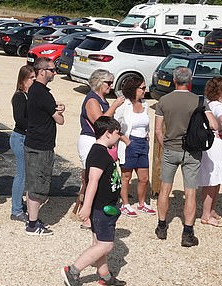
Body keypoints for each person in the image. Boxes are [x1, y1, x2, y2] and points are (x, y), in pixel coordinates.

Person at [61, 116, 126, 286]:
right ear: (107, 133)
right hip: (102, 208)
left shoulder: (102, 152)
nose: (119, 136)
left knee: (99, 243)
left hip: (106, 207)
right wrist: (86, 207)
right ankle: (73, 271)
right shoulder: (98, 154)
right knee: (106, 245)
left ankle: (105, 277)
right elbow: (93, 182)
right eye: (117, 133)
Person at [154, 66, 200, 247]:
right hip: (192, 150)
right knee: (190, 192)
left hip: (171, 148)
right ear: (189, 81)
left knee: (165, 189)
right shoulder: (197, 100)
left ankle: (162, 226)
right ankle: (187, 232)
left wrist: (166, 144)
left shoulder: (164, 101)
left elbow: (158, 130)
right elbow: (211, 123)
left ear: (174, 80)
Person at [24, 57, 65, 236]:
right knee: (38, 184)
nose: (54, 73)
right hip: (40, 146)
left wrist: (55, 109)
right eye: (52, 70)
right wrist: (58, 112)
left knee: (34, 182)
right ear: (42, 71)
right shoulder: (42, 93)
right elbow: (60, 120)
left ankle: (32, 218)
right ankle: (32, 224)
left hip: (36, 143)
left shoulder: (36, 90)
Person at [77, 69, 123, 225]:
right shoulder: (92, 100)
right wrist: (115, 106)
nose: (111, 86)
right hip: (90, 139)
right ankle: (86, 214)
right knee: (92, 178)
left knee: (99, 178)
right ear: (99, 82)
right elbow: (100, 123)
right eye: (108, 83)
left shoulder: (100, 99)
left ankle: (91, 211)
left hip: (99, 141)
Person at [197, 76, 222, 227]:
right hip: (218, 145)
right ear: (219, 91)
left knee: (213, 179)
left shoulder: (209, 103)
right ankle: (206, 214)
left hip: (211, 144)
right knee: (212, 180)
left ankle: (211, 209)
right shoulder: (219, 106)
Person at [114, 74, 155, 217]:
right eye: (142, 88)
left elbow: (146, 123)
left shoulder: (145, 104)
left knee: (144, 178)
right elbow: (115, 125)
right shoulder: (124, 105)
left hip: (143, 143)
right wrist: (127, 141)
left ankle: (142, 203)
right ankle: (125, 204)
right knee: (126, 176)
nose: (144, 91)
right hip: (130, 142)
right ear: (133, 89)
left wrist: (147, 135)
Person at [9, 65, 35, 222]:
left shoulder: (29, 95)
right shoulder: (19, 96)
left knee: (26, 174)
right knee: (22, 174)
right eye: (31, 78)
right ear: (23, 80)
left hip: (26, 137)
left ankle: (19, 204)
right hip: (20, 137)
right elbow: (20, 119)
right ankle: (16, 210)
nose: (33, 80)